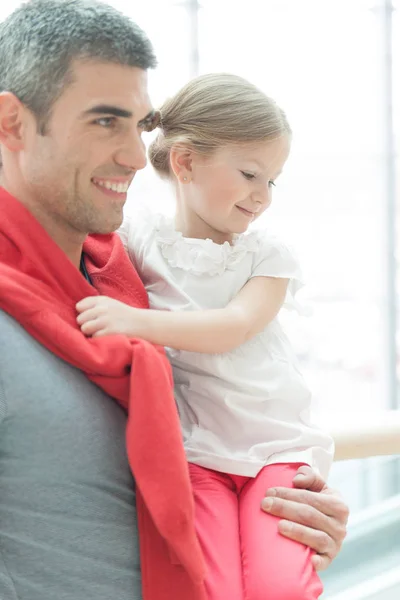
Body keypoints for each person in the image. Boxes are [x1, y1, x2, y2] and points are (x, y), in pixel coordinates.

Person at [0, 2, 348, 600]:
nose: (140, 156)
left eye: (139, 126)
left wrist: (291, 534)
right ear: (12, 124)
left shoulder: (123, 269)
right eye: (105, 122)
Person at [76, 73, 334, 599]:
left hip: (274, 452)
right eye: (249, 174)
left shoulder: (266, 256)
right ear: (186, 162)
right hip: (196, 457)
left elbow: (232, 328)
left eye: (272, 181)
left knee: (279, 587)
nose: (262, 196)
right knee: (207, 589)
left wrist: (133, 321)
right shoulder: (139, 238)